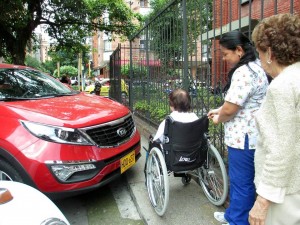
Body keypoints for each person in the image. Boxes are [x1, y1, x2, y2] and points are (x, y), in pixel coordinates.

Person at [207, 30, 269, 225]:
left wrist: (219, 118)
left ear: (239, 50)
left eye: (226, 54)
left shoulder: (243, 73)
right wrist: (220, 109)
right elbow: (241, 102)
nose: (224, 59)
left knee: (241, 183)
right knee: (241, 181)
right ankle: (232, 215)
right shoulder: (256, 67)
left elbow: (231, 109)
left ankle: (238, 221)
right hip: (252, 135)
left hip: (243, 138)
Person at [248, 13, 300, 225]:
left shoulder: (282, 86)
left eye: (259, 53)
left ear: (269, 52)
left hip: (283, 195)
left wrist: (262, 201)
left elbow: (280, 150)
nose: (259, 61)